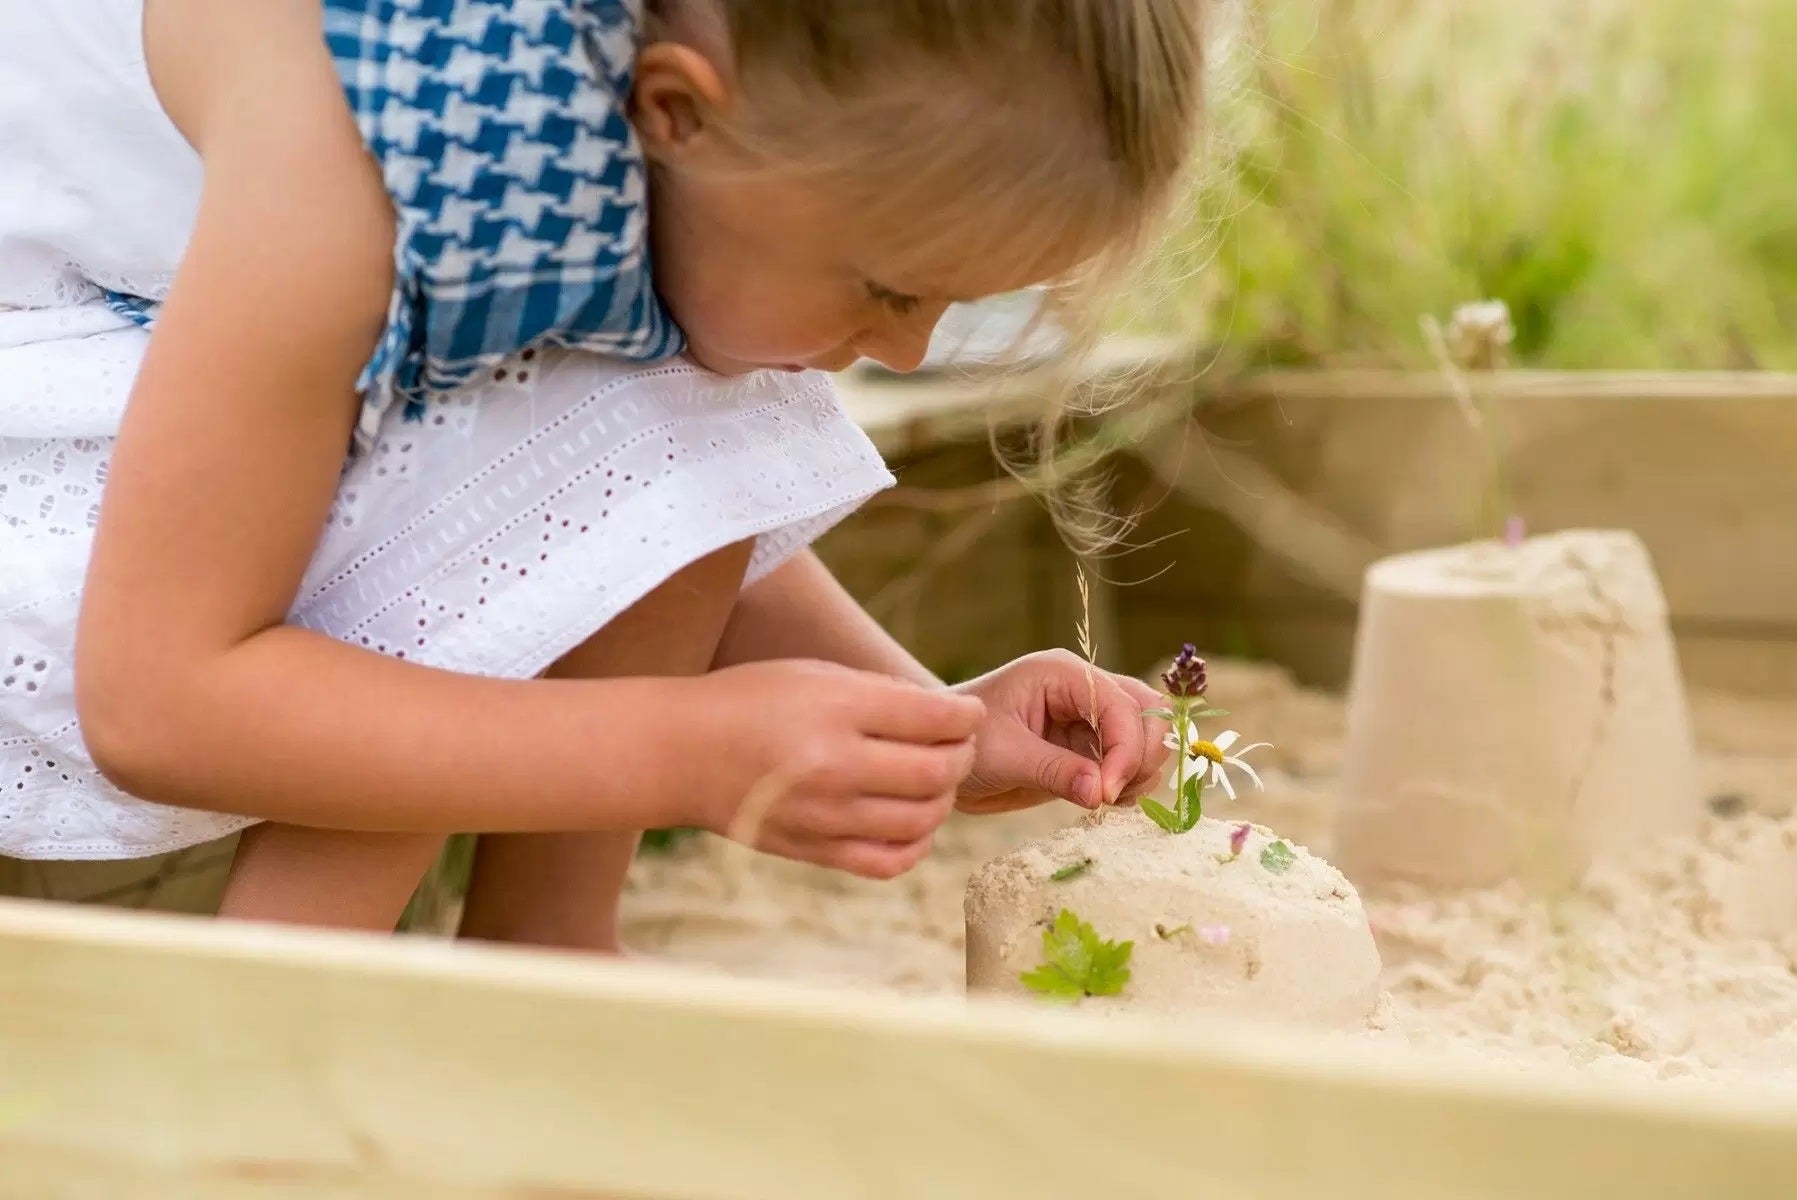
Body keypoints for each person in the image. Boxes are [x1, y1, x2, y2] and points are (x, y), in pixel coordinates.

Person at [0, 0, 1204, 948]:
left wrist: (935, 725)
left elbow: (630, 503)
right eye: (890, 288)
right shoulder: (349, 148)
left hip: (178, 336)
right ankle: (261, 1059)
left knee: (709, 357)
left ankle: (544, 946)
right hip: (63, 377)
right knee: (691, 365)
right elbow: (156, 705)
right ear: (676, 111)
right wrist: (686, 750)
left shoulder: (577, 120)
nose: (902, 350)